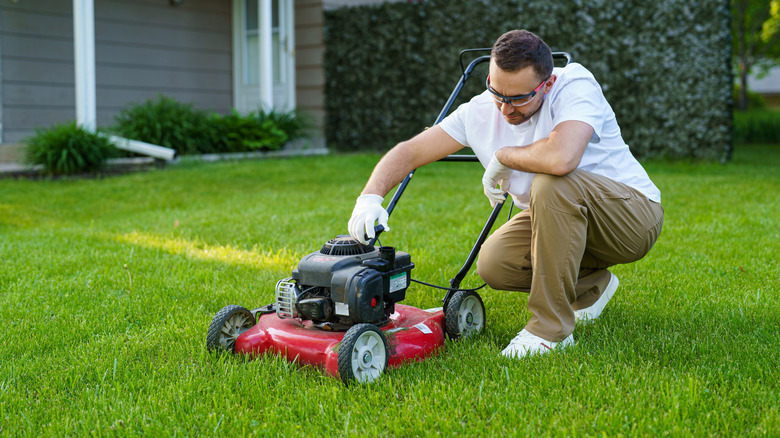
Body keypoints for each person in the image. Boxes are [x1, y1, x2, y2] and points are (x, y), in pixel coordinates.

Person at [347, 29, 664, 359]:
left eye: (519, 98)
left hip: (632, 218)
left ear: (548, 84)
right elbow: (410, 151)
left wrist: (503, 156)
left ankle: (549, 331)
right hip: (563, 221)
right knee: (495, 264)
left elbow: (562, 158)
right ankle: (591, 286)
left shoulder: (575, 84)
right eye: (498, 93)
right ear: (489, 78)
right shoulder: (479, 111)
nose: (505, 109)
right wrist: (370, 198)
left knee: (552, 181)